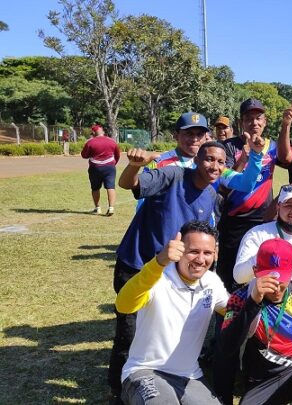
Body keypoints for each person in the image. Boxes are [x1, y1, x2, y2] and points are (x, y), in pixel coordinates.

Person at [106, 140, 264, 403]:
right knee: (129, 334)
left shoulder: (211, 195)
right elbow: (128, 184)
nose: (214, 166)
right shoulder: (173, 174)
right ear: (196, 160)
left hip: (178, 270)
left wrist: (256, 298)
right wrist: (134, 167)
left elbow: (230, 305)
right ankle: (119, 390)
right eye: (208, 159)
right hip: (142, 265)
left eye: (220, 162)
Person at [213, 238, 292, 405]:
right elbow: (227, 347)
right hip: (262, 380)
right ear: (255, 270)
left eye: (283, 280)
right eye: (270, 280)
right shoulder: (240, 298)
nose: (277, 288)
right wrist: (253, 303)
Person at [116, 221, 226, 405]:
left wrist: (255, 299)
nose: (200, 259)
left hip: (189, 374)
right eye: (193, 251)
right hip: (145, 371)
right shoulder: (157, 277)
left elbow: (231, 309)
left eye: (207, 253)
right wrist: (159, 262)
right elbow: (123, 305)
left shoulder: (211, 282)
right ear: (179, 249)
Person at [217, 98, 280, 292]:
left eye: (258, 118)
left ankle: (254, 317)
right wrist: (244, 159)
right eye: (248, 118)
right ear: (241, 122)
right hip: (233, 220)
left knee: (260, 272)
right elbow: (223, 187)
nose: (254, 123)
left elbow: (289, 159)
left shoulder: (273, 146)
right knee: (228, 276)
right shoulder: (228, 146)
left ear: (265, 121)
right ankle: (224, 318)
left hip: (262, 220)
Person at [233, 185, 292, 285]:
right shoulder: (257, 233)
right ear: (278, 207)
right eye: (288, 205)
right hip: (258, 294)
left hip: (289, 297)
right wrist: (264, 255)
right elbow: (239, 276)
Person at [81, 124, 120, 216]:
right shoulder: (112, 141)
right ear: (102, 131)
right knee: (111, 187)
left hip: (95, 168)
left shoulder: (90, 142)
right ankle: (111, 208)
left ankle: (97, 208)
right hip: (110, 167)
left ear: (94, 133)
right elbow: (117, 155)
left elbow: (84, 155)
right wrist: (113, 164)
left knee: (95, 188)